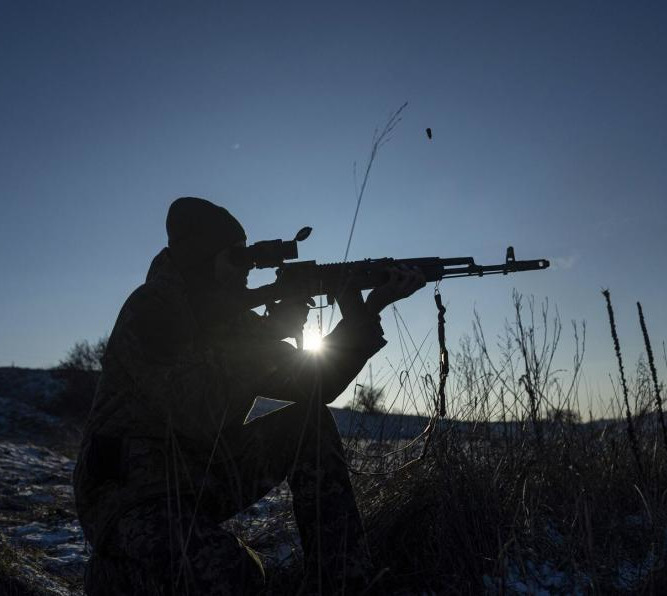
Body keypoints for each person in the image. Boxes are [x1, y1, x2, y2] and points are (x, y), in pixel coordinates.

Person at [73, 197, 425, 594]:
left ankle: (343, 583)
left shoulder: (237, 320)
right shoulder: (152, 309)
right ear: (200, 259)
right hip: (129, 494)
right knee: (236, 576)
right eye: (236, 259)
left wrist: (366, 312)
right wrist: (269, 331)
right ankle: (115, 577)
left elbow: (311, 387)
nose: (247, 271)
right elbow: (195, 412)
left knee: (306, 418)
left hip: (193, 474)